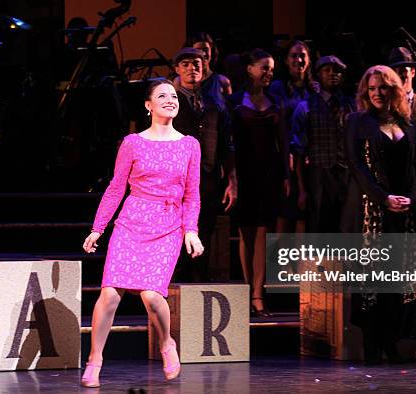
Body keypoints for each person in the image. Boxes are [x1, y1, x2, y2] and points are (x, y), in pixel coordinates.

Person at [80, 79, 203, 387]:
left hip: (167, 224)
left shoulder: (189, 144)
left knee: (151, 295)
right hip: (131, 222)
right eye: (162, 95)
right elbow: (116, 187)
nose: (170, 99)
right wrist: (99, 227)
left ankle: (166, 343)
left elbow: (192, 194)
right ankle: (95, 360)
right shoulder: (133, 142)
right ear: (148, 105)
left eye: (174, 96)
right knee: (109, 294)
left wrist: (192, 230)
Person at [341, 65, 416, 364]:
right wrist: (383, 197)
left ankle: (391, 340)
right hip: (368, 212)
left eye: (383, 88)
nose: (377, 93)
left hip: (402, 212)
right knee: (371, 280)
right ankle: (372, 344)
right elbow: (355, 165)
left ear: (394, 90)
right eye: (372, 89)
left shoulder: (408, 123)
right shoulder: (357, 121)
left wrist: (411, 199)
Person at [228, 49, 290, 318]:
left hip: (270, 173)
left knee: (264, 233)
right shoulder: (234, 101)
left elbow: (284, 140)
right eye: (264, 68)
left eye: (272, 69)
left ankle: (258, 294)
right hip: (244, 172)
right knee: (246, 232)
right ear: (250, 68)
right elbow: (227, 142)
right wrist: (231, 176)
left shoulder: (276, 100)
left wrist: (287, 176)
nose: (269, 73)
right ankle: (244, 290)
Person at [171, 47, 237, 282]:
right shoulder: (169, 101)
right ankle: (175, 286)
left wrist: (231, 179)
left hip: (207, 179)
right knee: (176, 233)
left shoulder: (214, 104)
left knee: (204, 232)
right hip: (175, 181)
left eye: (197, 63)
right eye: (186, 64)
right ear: (177, 69)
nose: (192, 68)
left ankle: (196, 285)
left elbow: (226, 143)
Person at [292, 55, 356, 233]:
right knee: (319, 228)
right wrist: (302, 189)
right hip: (318, 175)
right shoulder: (306, 106)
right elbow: (299, 150)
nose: (332, 74)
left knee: (344, 228)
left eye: (337, 71)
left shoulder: (351, 105)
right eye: (327, 70)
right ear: (318, 75)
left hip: (345, 174)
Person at [269, 40, 318, 234]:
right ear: (286, 61)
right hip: (285, 157)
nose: (298, 60)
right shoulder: (278, 88)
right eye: (294, 56)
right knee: (285, 213)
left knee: (303, 215)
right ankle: (281, 263)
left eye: (302, 56)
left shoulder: (314, 89)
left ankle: (300, 264)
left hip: (309, 159)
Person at [175, 32, 232, 108]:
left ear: (211, 51)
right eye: (198, 49)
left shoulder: (222, 81)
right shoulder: (179, 81)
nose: (203, 53)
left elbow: (228, 110)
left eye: (206, 49)